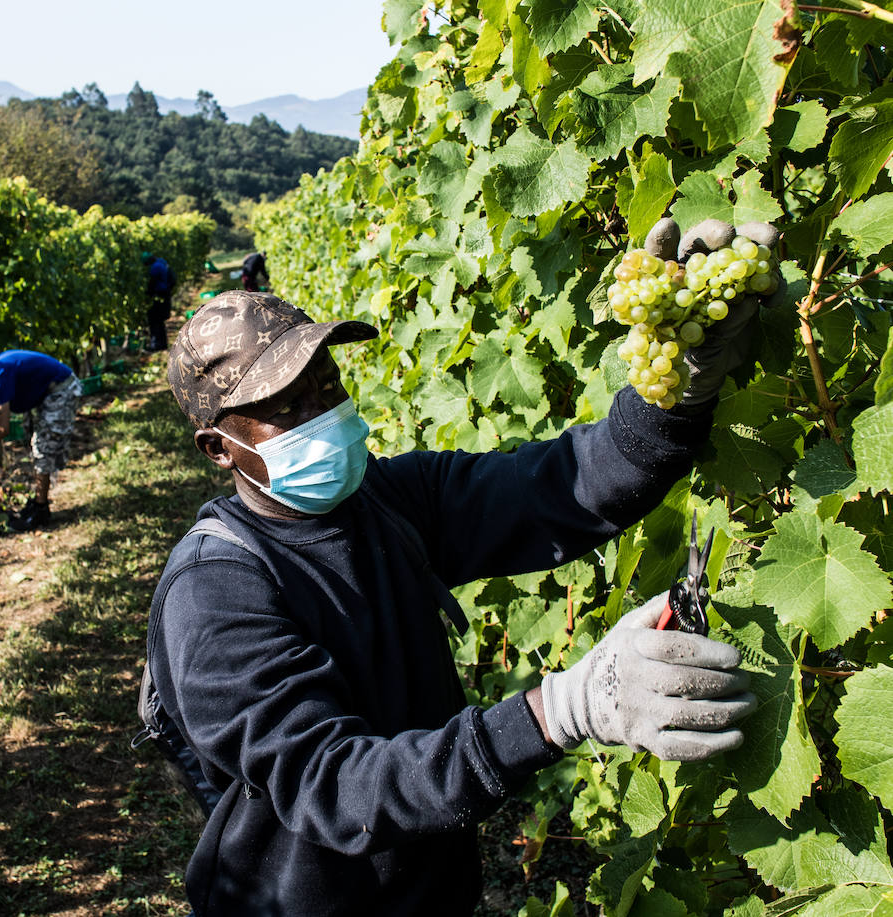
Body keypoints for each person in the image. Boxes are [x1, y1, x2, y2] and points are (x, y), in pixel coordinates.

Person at [146, 218, 773, 916]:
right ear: (218, 448)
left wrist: (675, 393)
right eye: (285, 410)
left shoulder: (387, 499)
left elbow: (562, 486)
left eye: (327, 386)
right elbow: (340, 784)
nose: (322, 414)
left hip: (433, 892)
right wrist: (562, 710)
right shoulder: (214, 593)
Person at [0, 349, 82, 531]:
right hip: (47, 392)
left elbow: (2, 428)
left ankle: (40, 510)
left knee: (42, 446)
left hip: (61, 389)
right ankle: (38, 502)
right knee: (37, 441)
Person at [143, 251, 177, 352]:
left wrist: (147, 293)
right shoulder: (162, 262)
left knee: (154, 320)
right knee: (160, 321)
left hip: (159, 295)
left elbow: (152, 282)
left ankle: (155, 345)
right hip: (165, 293)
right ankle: (163, 344)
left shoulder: (156, 267)